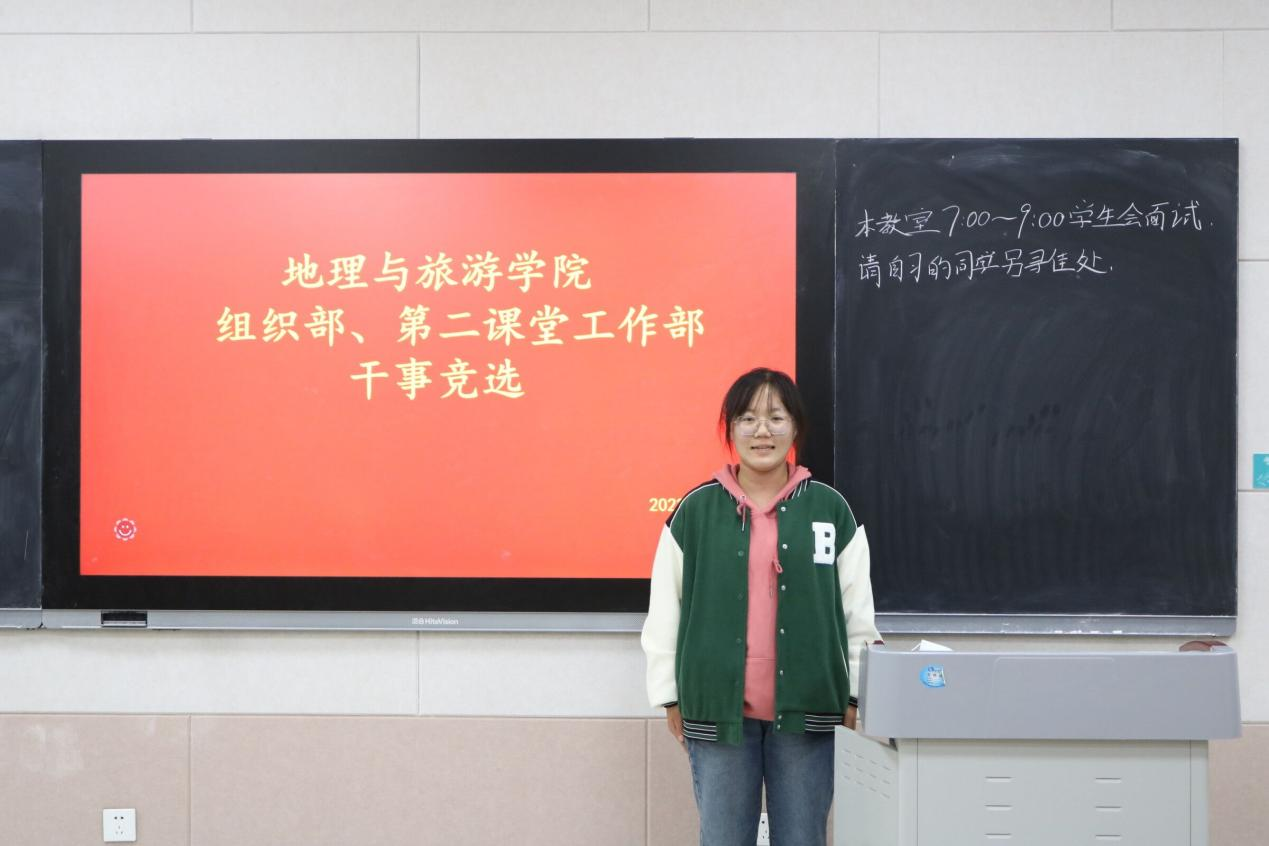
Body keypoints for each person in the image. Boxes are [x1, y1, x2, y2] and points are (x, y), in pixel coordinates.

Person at [641, 367, 880, 846]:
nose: (762, 431)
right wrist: (669, 694)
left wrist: (856, 695)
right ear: (730, 429)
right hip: (717, 710)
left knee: (803, 837)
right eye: (747, 418)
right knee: (724, 837)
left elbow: (858, 612)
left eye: (776, 417)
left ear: (796, 427)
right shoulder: (695, 510)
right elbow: (665, 609)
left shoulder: (831, 509)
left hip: (812, 709)